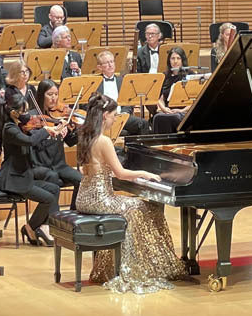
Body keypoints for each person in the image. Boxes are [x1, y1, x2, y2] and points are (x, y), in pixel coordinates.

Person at [75, 93, 185, 292]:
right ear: (105, 115)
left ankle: (123, 265)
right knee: (141, 207)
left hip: (84, 198)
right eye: (114, 115)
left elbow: (84, 170)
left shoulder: (85, 136)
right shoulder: (104, 141)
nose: (116, 119)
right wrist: (145, 174)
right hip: (101, 200)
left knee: (141, 206)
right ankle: (135, 267)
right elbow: (121, 174)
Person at [0, 91, 64, 247]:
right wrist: (44, 131)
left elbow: (35, 141)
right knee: (49, 198)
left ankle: (36, 227)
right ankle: (34, 228)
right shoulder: (9, 129)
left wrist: (55, 131)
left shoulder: (20, 126)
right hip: (13, 178)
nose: (27, 115)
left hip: (24, 174)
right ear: (13, 113)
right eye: (23, 111)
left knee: (54, 188)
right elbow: (30, 141)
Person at [34, 78, 83, 202]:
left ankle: (73, 215)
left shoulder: (59, 117)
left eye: (56, 94)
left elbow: (70, 142)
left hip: (59, 164)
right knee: (53, 179)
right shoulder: (34, 118)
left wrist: (81, 130)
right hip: (41, 165)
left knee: (82, 180)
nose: (54, 98)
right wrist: (54, 131)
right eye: (50, 94)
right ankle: (52, 217)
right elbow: (35, 143)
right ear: (41, 95)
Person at [95, 51, 150, 135]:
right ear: (99, 67)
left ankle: (140, 148)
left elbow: (129, 102)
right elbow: (93, 104)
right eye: (106, 63)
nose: (110, 65)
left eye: (112, 61)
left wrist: (124, 113)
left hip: (121, 115)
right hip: (104, 118)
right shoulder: (95, 83)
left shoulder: (123, 81)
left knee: (143, 123)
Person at [153, 47, 193, 134]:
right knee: (157, 117)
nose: (175, 61)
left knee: (175, 117)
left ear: (183, 60)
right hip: (168, 111)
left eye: (178, 58)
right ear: (169, 60)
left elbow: (195, 100)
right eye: (172, 58)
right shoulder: (164, 76)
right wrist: (164, 109)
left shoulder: (190, 75)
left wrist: (182, 110)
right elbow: (160, 98)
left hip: (185, 111)